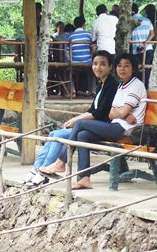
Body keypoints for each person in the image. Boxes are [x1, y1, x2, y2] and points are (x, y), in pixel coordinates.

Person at [40, 52, 146, 190]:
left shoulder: (136, 85)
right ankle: (84, 178)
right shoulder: (121, 86)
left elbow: (118, 112)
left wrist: (121, 113)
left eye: (127, 66)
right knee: (82, 135)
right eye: (119, 66)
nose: (122, 69)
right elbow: (111, 113)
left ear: (133, 68)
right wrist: (122, 114)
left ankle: (61, 162)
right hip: (116, 125)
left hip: (128, 130)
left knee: (80, 123)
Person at [22, 50, 117, 187]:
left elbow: (101, 112)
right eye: (95, 64)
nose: (98, 67)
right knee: (53, 134)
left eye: (102, 64)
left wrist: (75, 120)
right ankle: (36, 169)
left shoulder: (112, 85)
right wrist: (76, 119)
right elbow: (92, 110)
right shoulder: (101, 85)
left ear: (110, 67)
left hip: (100, 127)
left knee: (59, 135)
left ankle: (44, 173)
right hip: (90, 125)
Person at [68, 16, 93, 96]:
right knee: (92, 69)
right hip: (87, 61)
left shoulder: (71, 36)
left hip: (74, 61)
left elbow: (68, 51)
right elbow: (92, 46)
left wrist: (70, 59)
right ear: (84, 24)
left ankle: (74, 90)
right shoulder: (88, 34)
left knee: (69, 71)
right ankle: (92, 90)